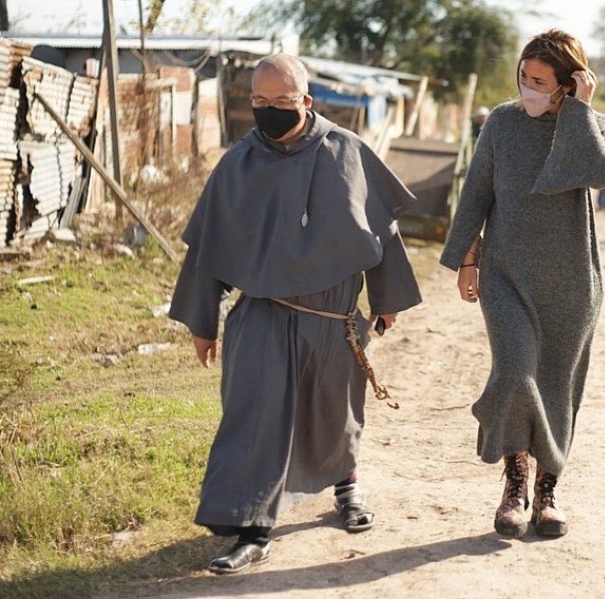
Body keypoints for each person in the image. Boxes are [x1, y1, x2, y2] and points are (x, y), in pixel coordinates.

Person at [168, 53, 422, 575]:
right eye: (259, 102)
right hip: (261, 312)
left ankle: (347, 489)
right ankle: (252, 529)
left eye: (281, 102)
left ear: (306, 100)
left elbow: (381, 230)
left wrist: (387, 297)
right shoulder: (238, 163)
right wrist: (202, 322)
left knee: (335, 414)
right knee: (255, 418)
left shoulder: (347, 152)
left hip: (332, 317)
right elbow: (208, 246)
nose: (268, 111)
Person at [439, 29, 605, 539]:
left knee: (558, 386)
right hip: (506, 274)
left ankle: (547, 491)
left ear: (569, 84)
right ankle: (513, 482)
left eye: (540, 81)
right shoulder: (501, 122)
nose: (528, 88)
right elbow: (476, 192)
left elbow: (600, 171)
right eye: (524, 77)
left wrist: (580, 111)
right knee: (517, 373)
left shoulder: (595, 125)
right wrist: (466, 259)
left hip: (572, 280)